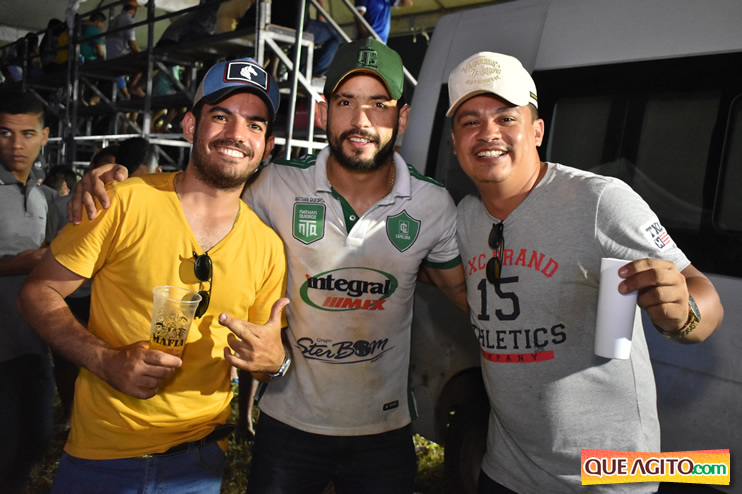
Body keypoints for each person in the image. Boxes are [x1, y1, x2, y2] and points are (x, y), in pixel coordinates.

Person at [69, 38, 467, 493]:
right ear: (322, 113)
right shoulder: (273, 184)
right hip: (287, 427)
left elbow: (461, 293)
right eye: (345, 102)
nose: (361, 121)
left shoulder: (433, 204)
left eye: (379, 105)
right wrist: (118, 180)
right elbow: (208, 180)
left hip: (384, 428)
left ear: (403, 117)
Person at [446, 51, 724, 493]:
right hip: (506, 470)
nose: (488, 134)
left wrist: (684, 312)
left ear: (537, 130)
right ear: (456, 141)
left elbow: (702, 296)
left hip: (604, 479)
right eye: (470, 121)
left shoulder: (599, 203)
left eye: (505, 118)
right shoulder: (463, 218)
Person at [18, 57, 289, 493]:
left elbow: (264, 359)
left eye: (254, 125)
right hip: (102, 459)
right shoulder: (122, 203)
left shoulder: (268, 247)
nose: (237, 135)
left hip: (200, 465)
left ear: (268, 145)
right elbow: (38, 292)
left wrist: (274, 364)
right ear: (189, 126)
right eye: (221, 116)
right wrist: (105, 360)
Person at [0, 90, 56, 494]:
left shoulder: (45, 196)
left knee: (36, 437)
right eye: (4, 133)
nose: (16, 145)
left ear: (44, 136)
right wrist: (21, 263)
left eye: (26, 133)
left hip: (32, 341)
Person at [106, 1, 144, 98]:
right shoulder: (128, 20)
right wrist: (141, 53)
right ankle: (134, 86)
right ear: (133, 10)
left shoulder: (116, 19)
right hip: (120, 54)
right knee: (146, 63)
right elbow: (131, 43)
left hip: (110, 55)